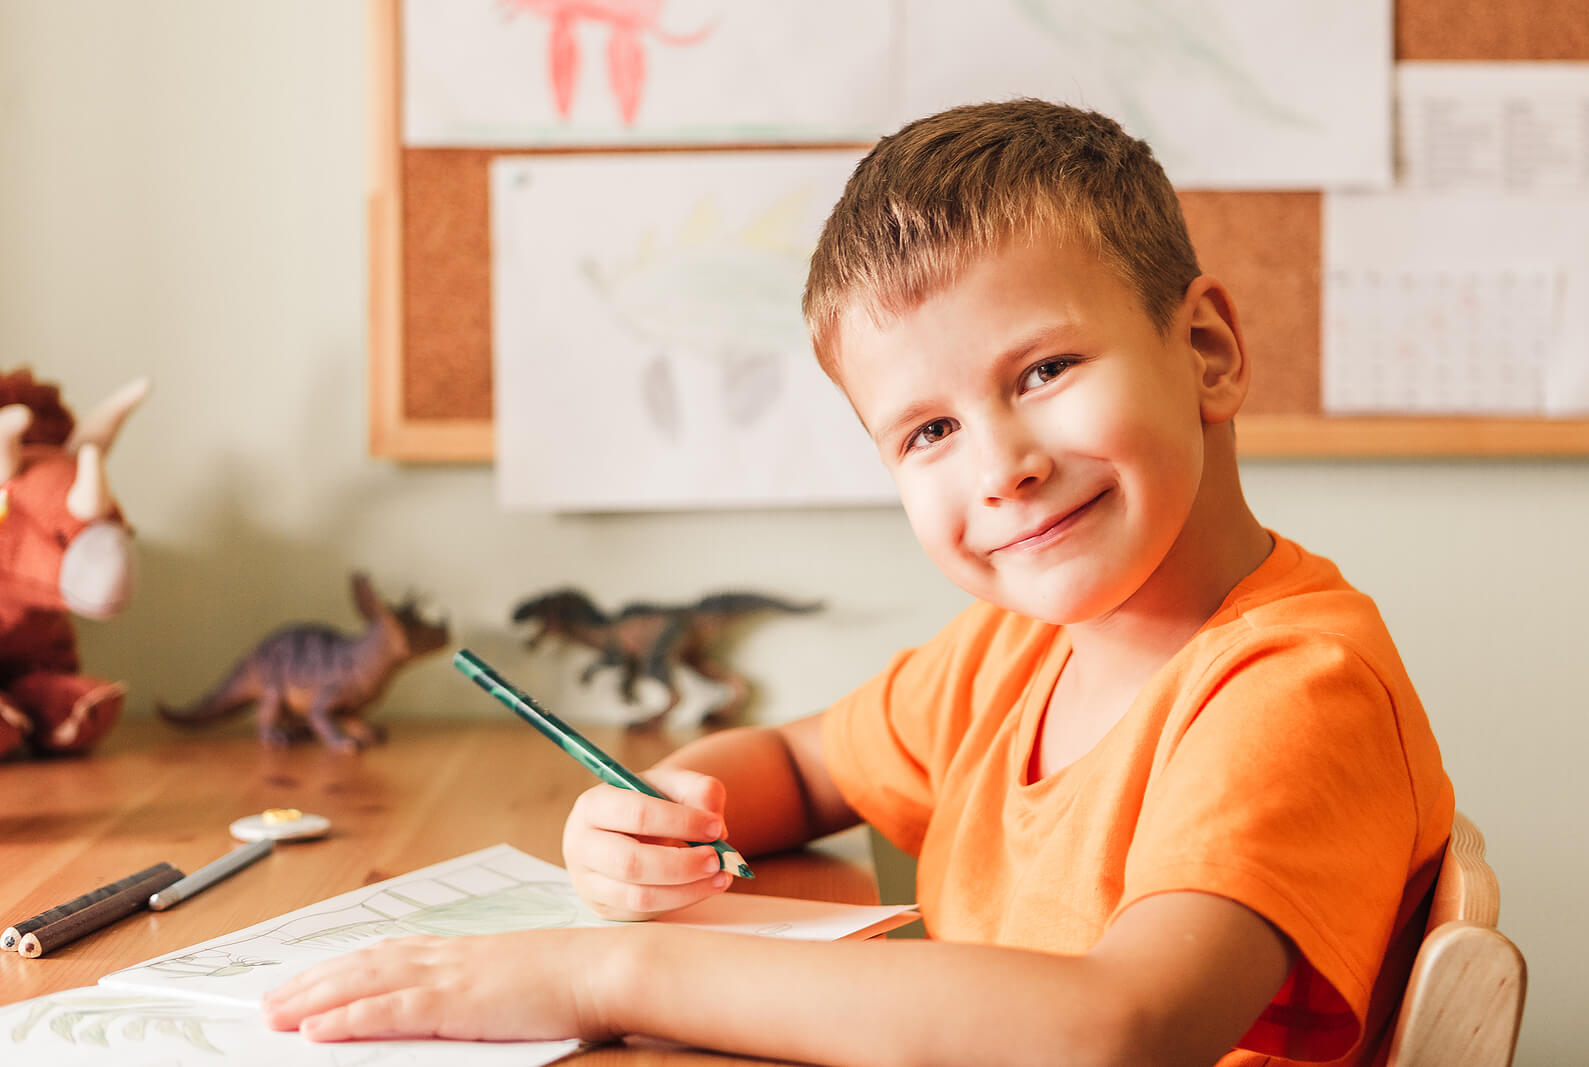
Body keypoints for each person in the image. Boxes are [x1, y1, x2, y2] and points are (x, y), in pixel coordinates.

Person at [263, 99, 1454, 1066]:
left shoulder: (1294, 686)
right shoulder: (1015, 648)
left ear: (1205, 351)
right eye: (928, 430)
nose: (1001, 466)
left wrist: (607, 971)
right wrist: (662, 810)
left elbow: (1121, 1028)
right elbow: (798, 767)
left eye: (1044, 369)